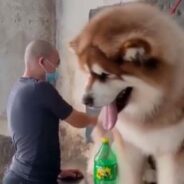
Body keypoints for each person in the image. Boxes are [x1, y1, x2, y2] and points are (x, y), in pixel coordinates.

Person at [3, 40, 98, 184]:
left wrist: (57, 172)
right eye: (56, 64)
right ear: (42, 62)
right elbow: (76, 120)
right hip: (31, 180)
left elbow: (33, 140)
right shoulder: (40, 89)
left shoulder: (18, 87)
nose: (56, 70)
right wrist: (99, 119)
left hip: (21, 175)